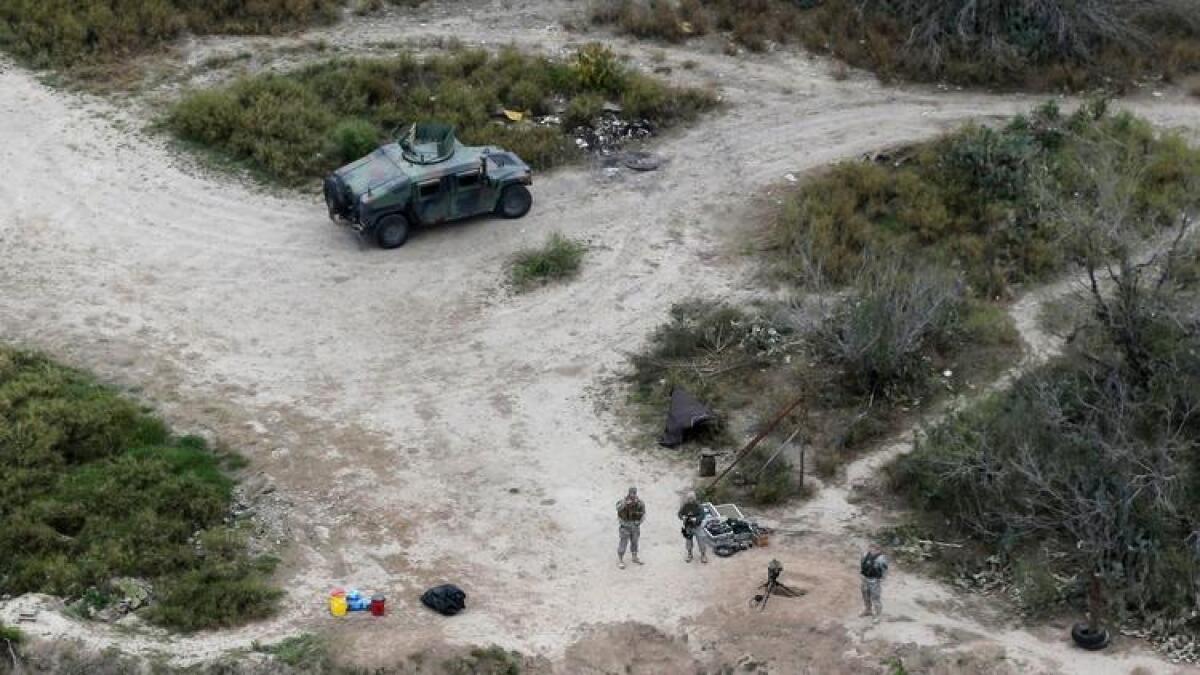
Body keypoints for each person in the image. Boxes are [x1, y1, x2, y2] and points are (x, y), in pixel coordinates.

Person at [616, 487, 645, 569]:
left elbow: (643, 514)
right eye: (632, 493)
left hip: (635, 527)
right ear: (629, 493)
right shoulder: (622, 501)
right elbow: (618, 509)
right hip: (625, 527)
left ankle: (634, 557)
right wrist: (625, 503)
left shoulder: (640, 503)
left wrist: (639, 522)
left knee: (635, 542)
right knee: (623, 543)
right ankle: (621, 560)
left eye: (634, 493)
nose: (633, 494)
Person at [677, 491, 708, 563]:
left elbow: (703, 515)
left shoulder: (699, 506)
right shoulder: (685, 506)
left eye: (691, 498)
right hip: (688, 526)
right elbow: (679, 514)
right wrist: (683, 517)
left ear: (694, 498)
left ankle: (703, 555)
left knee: (701, 540)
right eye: (689, 498)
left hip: (697, 526)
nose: (690, 500)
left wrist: (696, 519)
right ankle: (690, 554)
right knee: (688, 541)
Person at [860, 546, 889, 618]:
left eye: (875, 549)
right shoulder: (866, 554)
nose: (872, 550)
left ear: (879, 550)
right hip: (865, 579)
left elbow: (884, 570)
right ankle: (868, 610)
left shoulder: (881, 559)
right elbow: (862, 564)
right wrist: (862, 575)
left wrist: (881, 579)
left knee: (875, 598)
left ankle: (878, 615)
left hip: (874, 580)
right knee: (865, 596)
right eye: (871, 548)